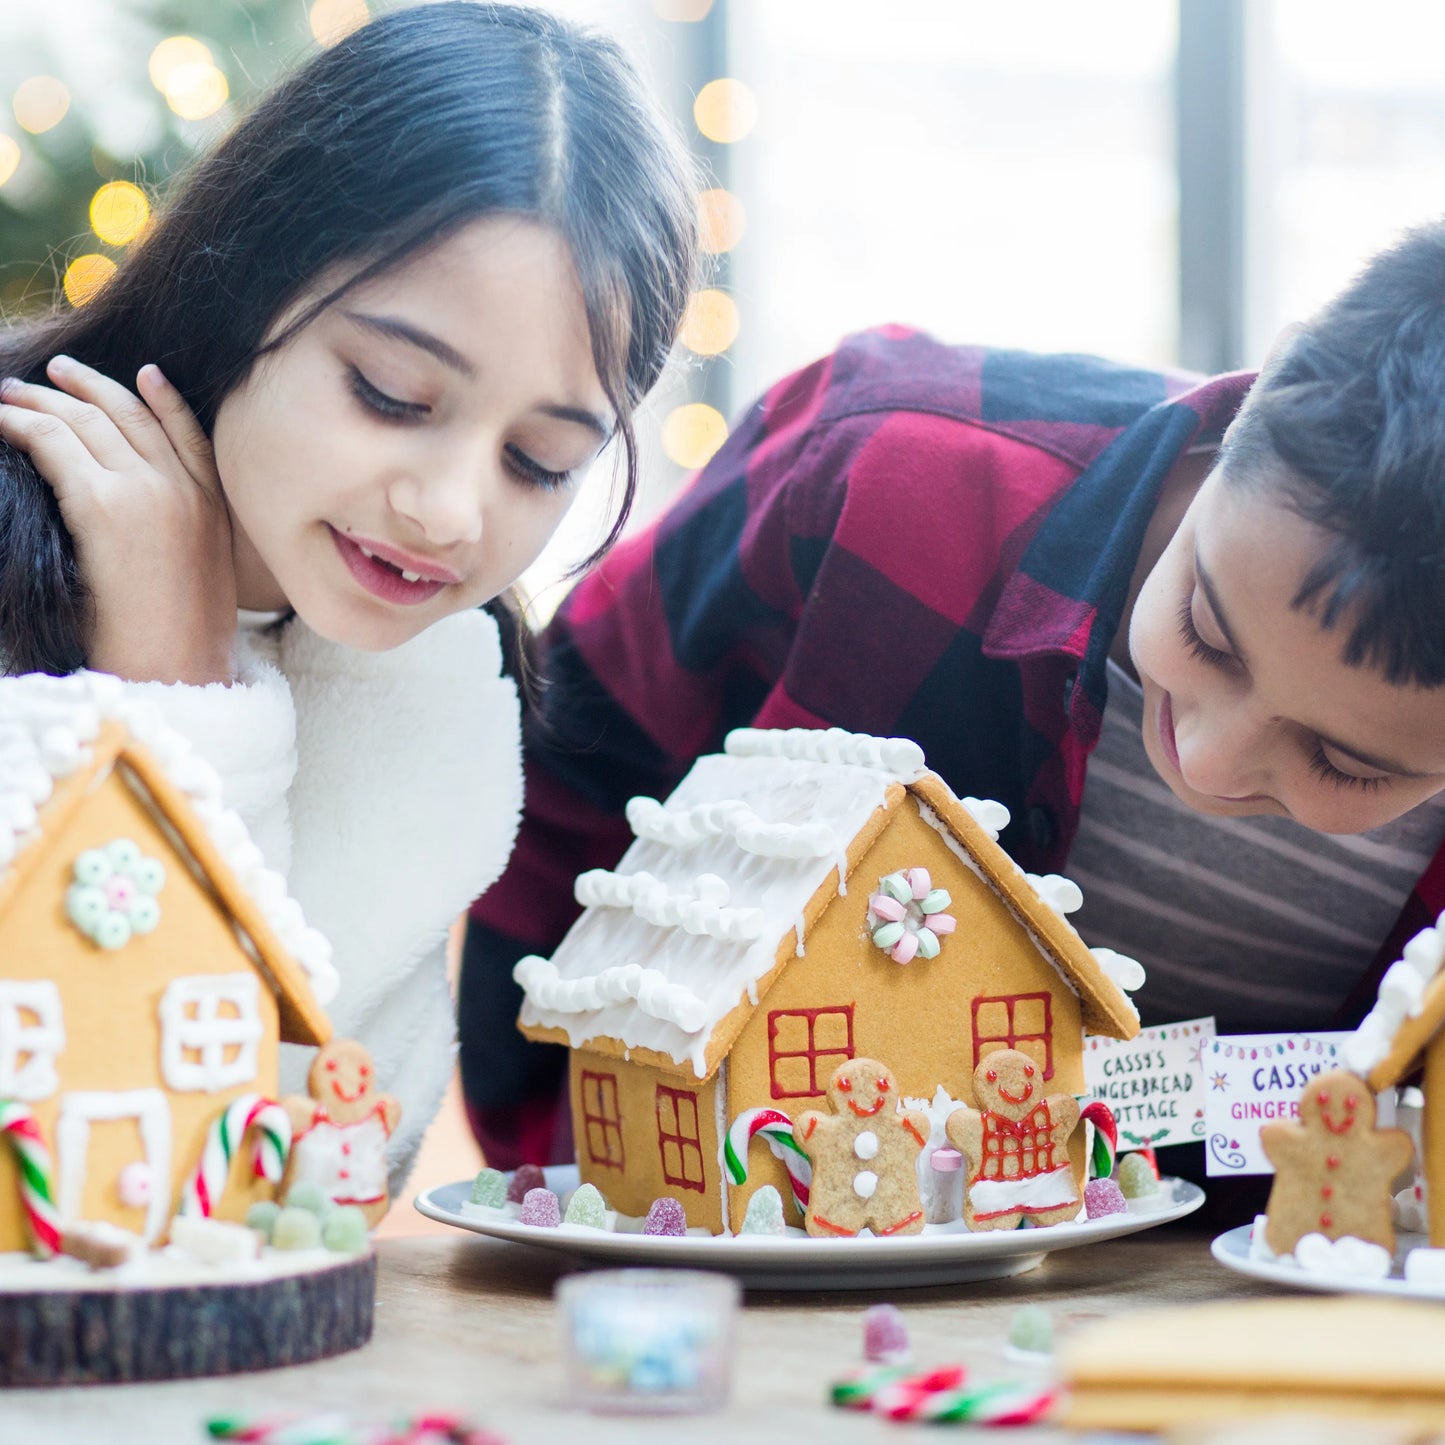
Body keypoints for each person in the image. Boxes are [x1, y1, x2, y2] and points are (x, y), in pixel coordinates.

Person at [460, 225, 1445, 1171]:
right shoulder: (876, 473)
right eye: (1203, 630)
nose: (1208, 760)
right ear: (1258, 393)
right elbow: (562, 749)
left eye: (1347, 761)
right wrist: (603, 1173)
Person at [0, 2, 699, 1191]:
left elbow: (316, 1177)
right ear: (244, 282)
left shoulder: (432, 687)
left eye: (538, 461)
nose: (449, 512)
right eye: (390, 392)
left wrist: (180, 676)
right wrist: (170, 695)